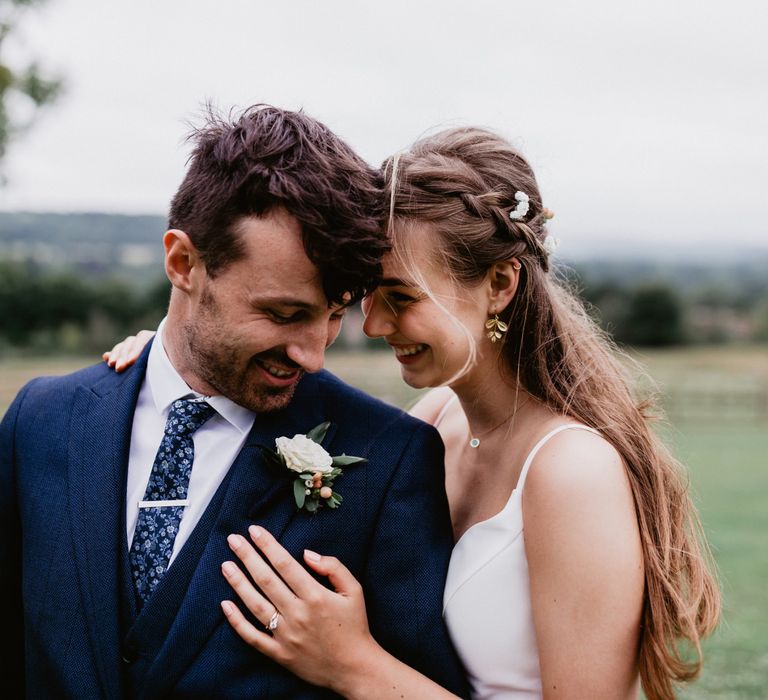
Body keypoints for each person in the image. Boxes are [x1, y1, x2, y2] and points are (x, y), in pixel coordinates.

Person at [105, 128, 721, 700]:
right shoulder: (435, 420)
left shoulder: (571, 470)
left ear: (501, 284)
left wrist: (352, 664)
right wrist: (167, 364)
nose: (373, 325)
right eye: (368, 297)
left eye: (400, 297)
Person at [0, 105, 470, 698]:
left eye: (331, 316)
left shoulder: (389, 459)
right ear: (184, 263)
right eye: (283, 314)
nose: (312, 356)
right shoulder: (39, 422)